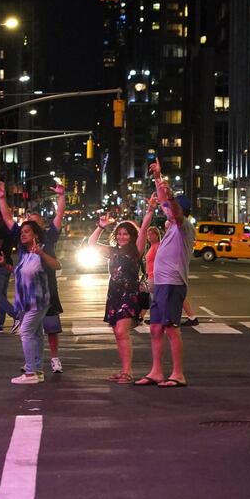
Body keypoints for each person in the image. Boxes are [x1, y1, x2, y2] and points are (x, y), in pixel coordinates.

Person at [0, 181, 67, 373]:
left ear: (39, 228)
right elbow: (8, 218)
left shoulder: (48, 238)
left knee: (46, 328)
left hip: (45, 290)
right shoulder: (23, 245)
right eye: (25, 226)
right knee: (33, 332)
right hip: (27, 296)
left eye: (31, 225)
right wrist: (2, 198)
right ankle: (33, 364)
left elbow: (59, 215)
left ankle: (47, 361)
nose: (25, 230)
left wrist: (61, 196)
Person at [135, 158, 194, 388]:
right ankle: (157, 371)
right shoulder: (169, 229)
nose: (166, 208)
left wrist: (170, 198)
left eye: (170, 206)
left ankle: (178, 373)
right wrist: (158, 177)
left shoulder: (183, 226)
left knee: (171, 328)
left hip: (172, 283)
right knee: (156, 327)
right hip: (160, 283)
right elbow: (163, 202)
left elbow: (175, 213)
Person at [88, 202, 153, 384]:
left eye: (126, 233)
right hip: (114, 294)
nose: (122, 236)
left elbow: (144, 229)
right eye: (119, 233)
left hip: (129, 294)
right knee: (118, 333)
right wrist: (101, 226)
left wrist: (149, 211)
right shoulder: (112, 251)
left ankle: (128, 371)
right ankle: (124, 369)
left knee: (121, 331)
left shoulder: (135, 251)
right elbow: (91, 243)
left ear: (132, 236)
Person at [0, 217, 61, 384]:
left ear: (36, 234)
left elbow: (57, 265)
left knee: (25, 332)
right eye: (21, 232)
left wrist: (41, 253)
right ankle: (37, 370)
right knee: (35, 333)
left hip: (38, 300)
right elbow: (22, 274)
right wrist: (6, 265)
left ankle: (30, 372)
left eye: (27, 232)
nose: (23, 235)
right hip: (26, 302)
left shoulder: (41, 249)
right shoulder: (25, 253)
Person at [140, 225, 162, 323]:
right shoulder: (151, 246)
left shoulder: (158, 246)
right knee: (150, 297)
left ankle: (155, 318)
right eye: (148, 235)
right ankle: (141, 316)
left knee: (152, 298)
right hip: (150, 275)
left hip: (155, 276)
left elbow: (162, 259)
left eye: (151, 234)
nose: (149, 236)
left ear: (157, 235)